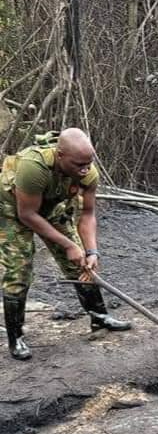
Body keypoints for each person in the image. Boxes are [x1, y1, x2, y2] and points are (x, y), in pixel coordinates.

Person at [0, 128, 131, 360]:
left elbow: (87, 214)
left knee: (81, 265)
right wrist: (69, 245)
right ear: (60, 155)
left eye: (89, 163)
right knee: (18, 271)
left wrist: (91, 251)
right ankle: (16, 337)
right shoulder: (34, 167)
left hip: (51, 208)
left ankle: (99, 317)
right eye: (79, 164)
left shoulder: (87, 172)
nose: (85, 169)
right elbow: (27, 214)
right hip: (13, 211)